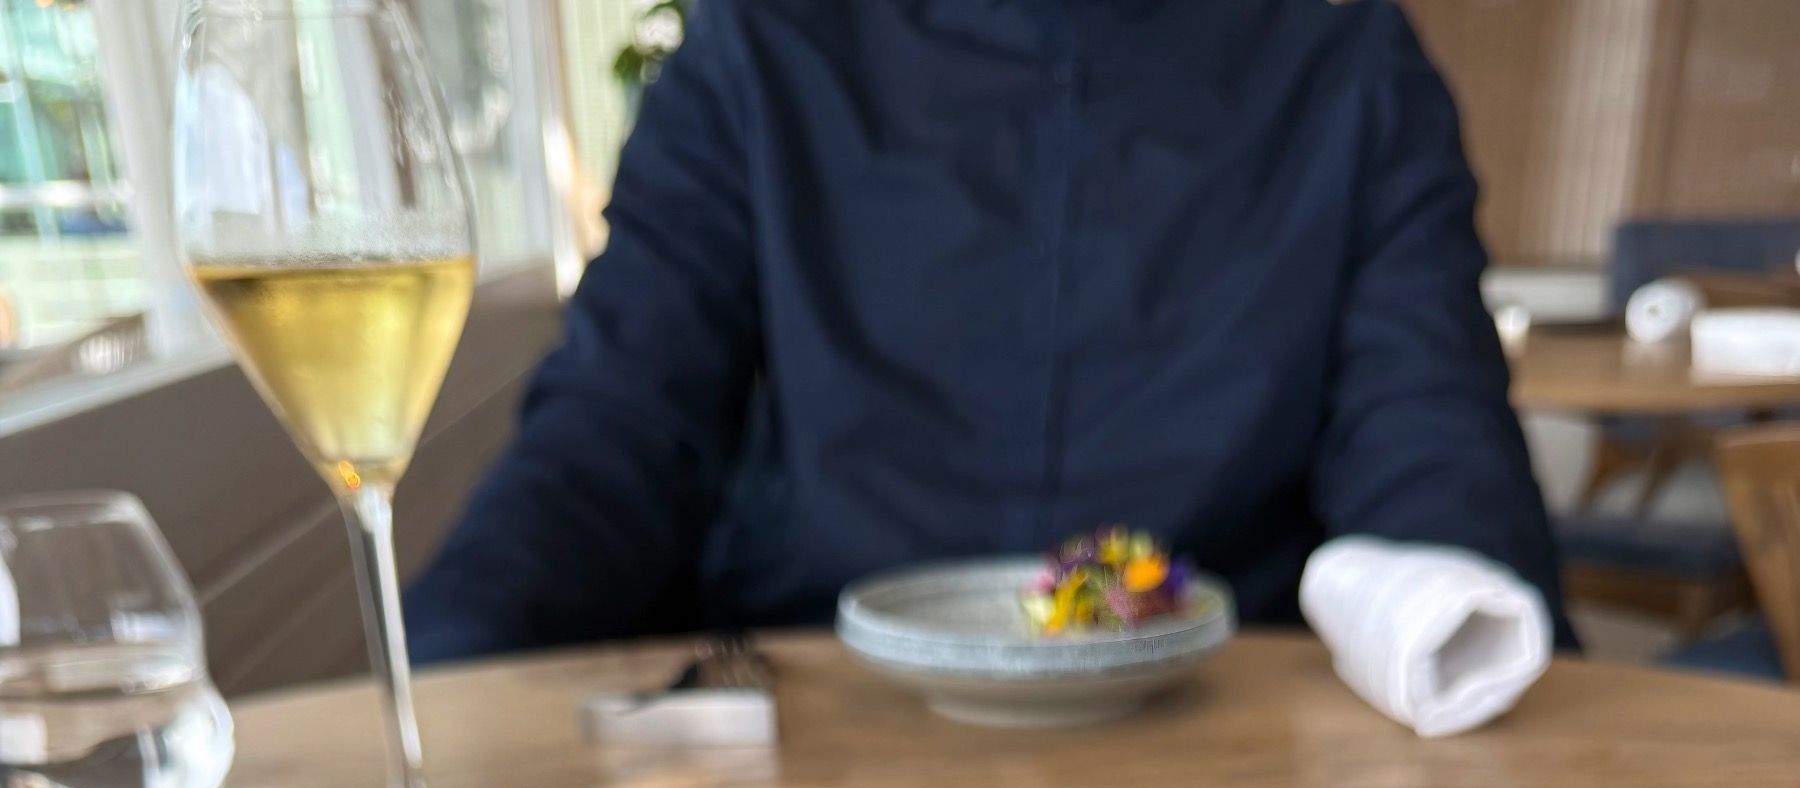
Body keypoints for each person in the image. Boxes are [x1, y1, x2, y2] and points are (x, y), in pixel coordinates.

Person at [407, 0, 1564, 661]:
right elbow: (617, 424)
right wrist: (446, 675)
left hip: (1232, 724)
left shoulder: (1344, 59)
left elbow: (1431, 441)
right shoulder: (759, 50)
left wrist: (1481, 652)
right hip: (813, 724)